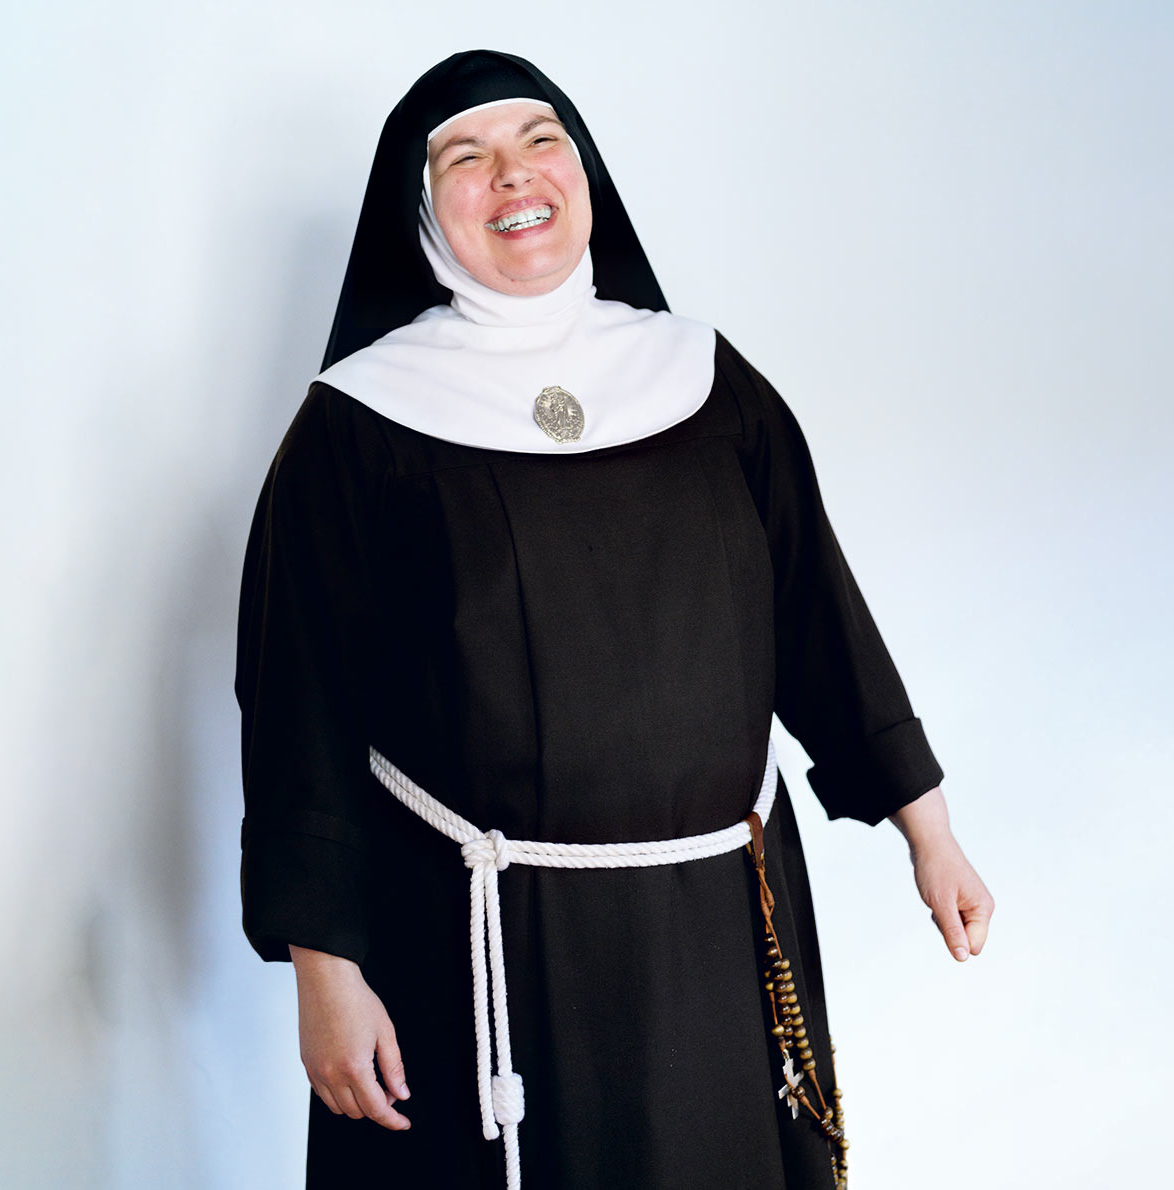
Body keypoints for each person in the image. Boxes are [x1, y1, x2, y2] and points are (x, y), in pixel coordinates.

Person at [236, 49, 994, 1190]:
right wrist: (324, 971)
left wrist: (929, 832)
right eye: (467, 157)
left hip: (715, 930)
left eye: (541, 140)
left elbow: (819, 615)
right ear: (418, 209)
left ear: (583, 170)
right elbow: (300, 711)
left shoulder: (705, 380)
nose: (514, 175)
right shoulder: (359, 427)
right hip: (478, 944)